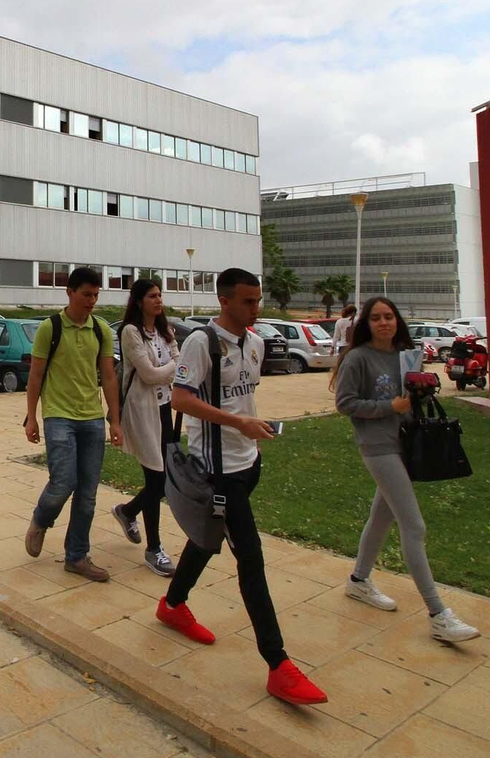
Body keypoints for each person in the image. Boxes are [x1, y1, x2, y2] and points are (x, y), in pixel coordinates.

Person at [156, 267, 329, 706]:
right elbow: (181, 399)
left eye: (258, 300)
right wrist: (238, 422)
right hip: (217, 473)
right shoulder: (201, 342)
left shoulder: (255, 342)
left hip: (248, 465)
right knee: (251, 560)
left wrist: (254, 427)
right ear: (225, 301)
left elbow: (241, 398)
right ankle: (279, 665)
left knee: (207, 539)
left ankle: (173, 605)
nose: (256, 308)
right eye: (248, 302)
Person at [332, 296, 480, 643]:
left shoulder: (406, 356)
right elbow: (345, 403)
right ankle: (438, 615)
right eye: (377, 318)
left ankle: (358, 581)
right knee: (413, 525)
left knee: (382, 517)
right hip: (378, 446)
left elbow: (413, 403)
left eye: (389, 317)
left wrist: (422, 391)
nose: (384, 323)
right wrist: (390, 406)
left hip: (407, 443)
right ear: (366, 324)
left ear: (397, 321)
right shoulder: (357, 358)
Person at [23, 266, 123, 582]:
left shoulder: (101, 330)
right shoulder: (50, 328)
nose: (92, 301)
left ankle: (77, 556)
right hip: (58, 416)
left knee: (88, 494)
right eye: (86, 294)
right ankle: (41, 519)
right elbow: (35, 375)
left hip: (92, 418)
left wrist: (115, 420)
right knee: (63, 482)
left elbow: (108, 376)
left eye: (96, 295)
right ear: (70, 292)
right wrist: (31, 417)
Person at [110, 278, 180, 577]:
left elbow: (179, 361)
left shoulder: (164, 331)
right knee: (158, 479)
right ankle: (154, 549)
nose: (158, 300)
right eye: (152, 296)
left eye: (160, 295)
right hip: (142, 411)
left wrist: (170, 370)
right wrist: (173, 369)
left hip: (165, 409)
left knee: (160, 478)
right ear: (139, 301)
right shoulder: (130, 332)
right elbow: (150, 375)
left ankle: (127, 512)